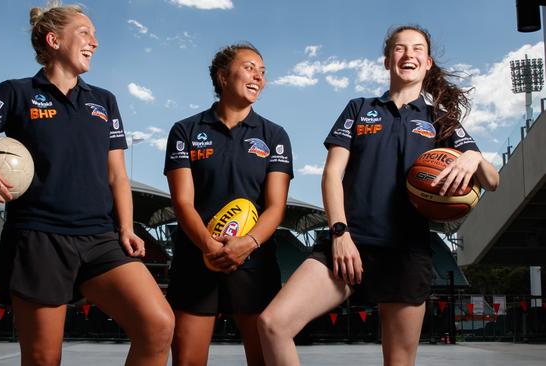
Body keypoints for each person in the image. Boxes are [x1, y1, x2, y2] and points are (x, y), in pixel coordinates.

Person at [0, 3, 174, 365]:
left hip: (100, 238)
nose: (95, 42)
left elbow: (117, 174)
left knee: (158, 325)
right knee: (43, 359)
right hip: (39, 238)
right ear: (53, 40)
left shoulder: (104, 102)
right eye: (85, 32)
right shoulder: (15, 93)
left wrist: (127, 227)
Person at [258, 25, 500, 366]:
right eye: (400, 48)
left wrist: (473, 155)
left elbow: (492, 181)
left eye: (417, 48)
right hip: (350, 242)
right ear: (388, 60)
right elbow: (332, 174)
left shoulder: (440, 121)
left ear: (428, 62)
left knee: (399, 362)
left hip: (407, 251)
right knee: (273, 324)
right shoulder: (359, 109)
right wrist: (340, 233)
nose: (408, 54)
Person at [163, 43, 293, 366]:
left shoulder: (275, 136)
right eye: (250, 68)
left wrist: (246, 244)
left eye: (263, 73)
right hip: (196, 258)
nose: (258, 77)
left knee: (263, 359)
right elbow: (182, 201)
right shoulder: (186, 131)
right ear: (223, 76)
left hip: (253, 262)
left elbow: (276, 206)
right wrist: (209, 246)